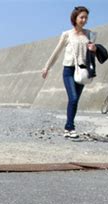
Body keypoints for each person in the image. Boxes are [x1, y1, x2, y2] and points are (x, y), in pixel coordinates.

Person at [42, 6, 97, 139]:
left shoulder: (90, 34)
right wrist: (47, 67)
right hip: (68, 70)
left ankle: (68, 129)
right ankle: (70, 127)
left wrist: (94, 49)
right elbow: (57, 52)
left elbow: (92, 56)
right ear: (75, 18)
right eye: (81, 17)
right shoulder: (67, 34)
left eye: (86, 18)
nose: (84, 20)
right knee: (72, 98)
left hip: (82, 70)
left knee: (75, 100)